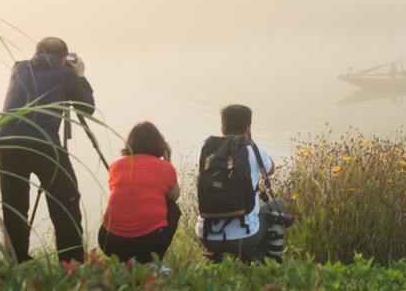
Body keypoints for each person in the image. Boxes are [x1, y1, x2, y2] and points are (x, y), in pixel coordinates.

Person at [0, 37, 95, 263]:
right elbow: (87, 108)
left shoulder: (18, 68)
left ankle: (17, 262)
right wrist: (79, 74)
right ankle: (71, 264)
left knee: (14, 205)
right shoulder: (65, 72)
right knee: (66, 200)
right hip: (43, 144)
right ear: (63, 58)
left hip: (7, 142)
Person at [197, 104, 284, 263]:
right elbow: (271, 169)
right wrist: (250, 141)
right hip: (245, 237)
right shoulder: (254, 149)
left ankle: (214, 258)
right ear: (248, 127)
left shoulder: (209, 149)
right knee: (278, 207)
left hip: (206, 235)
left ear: (222, 127)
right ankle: (264, 260)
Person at [98, 122, 181, 264]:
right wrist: (168, 161)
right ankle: (152, 261)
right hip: (148, 244)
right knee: (173, 208)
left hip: (109, 242)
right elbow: (174, 196)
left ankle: (123, 265)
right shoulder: (165, 168)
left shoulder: (116, 166)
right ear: (160, 145)